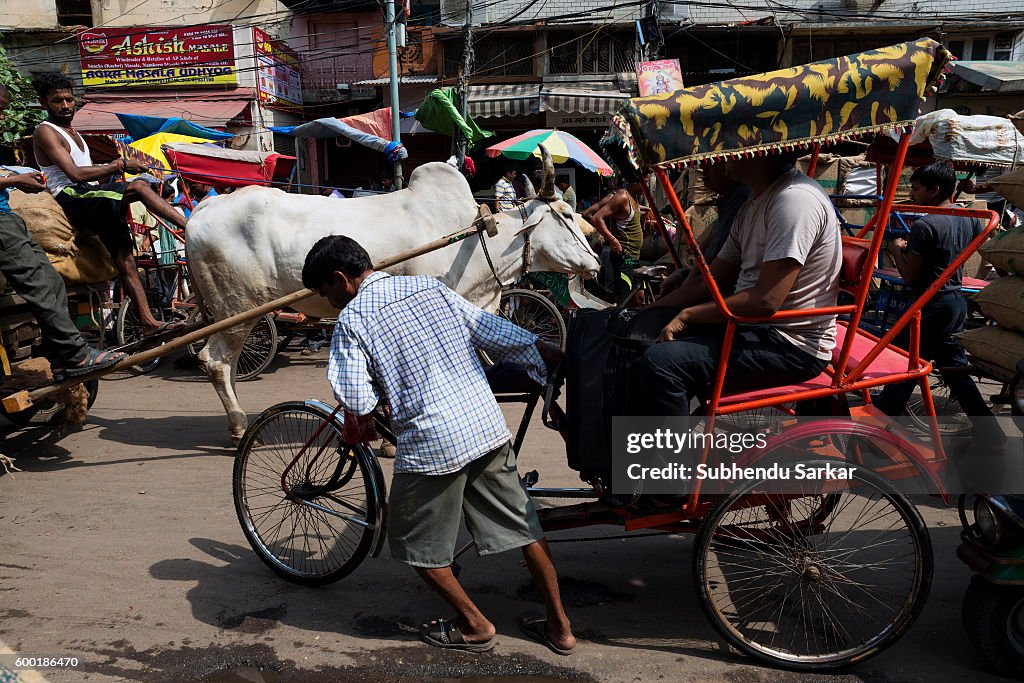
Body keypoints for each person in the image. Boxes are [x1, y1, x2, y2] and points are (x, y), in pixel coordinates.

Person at [302, 235, 575, 656]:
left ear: (341, 278)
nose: (329, 301)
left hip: (433, 444)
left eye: (326, 292)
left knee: (411, 542)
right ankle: (560, 628)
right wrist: (538, 349)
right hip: (484, 427)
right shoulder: (429, 286)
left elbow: (357, 399)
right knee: (525, 528)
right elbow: (491, 330)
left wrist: (378, 382)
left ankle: (476, 624)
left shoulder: (353, 320)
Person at [636, 151, 842, 416]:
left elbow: (765, 300)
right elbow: (714, 278)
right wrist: (651, 312)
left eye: (731, 148)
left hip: (791, 345)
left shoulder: (794, 200)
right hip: (754, 329)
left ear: (759, 154)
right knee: (644, 340)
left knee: (661, 363)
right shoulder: (753, 205)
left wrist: (688, 315)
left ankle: (672, 457)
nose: (721, 157)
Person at [31, 72, 186, 338]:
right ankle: (191, 228)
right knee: (138, 187)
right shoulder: (46, 132)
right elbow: (77, 175)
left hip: (92, 196)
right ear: (44, 103)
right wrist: (120, 165)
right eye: (58, 101)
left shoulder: (75, 133)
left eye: (69, 99)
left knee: (126, 261)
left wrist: (118, 170)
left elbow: (91, 173)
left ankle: (149, 323)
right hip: (72, 196)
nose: (66, 105)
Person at [874, 162, 1005, 452]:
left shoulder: (925, 225)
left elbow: (909, 275)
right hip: (954, 301)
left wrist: (896, 248)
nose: (914, 194)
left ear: (934, 190)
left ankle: (877, 429)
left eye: (918, 188)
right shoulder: (968, 219)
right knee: (953, 369)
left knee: (905, 367)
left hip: (929, 304)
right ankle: (990, 431)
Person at [0, 84, 125, 378]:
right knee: (39, 283)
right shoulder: (47, 131)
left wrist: (11, 177)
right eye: (1, 109)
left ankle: (58, 354)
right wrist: (12, 182)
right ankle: (77, 354)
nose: (3, 116)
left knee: (52, 282)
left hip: (7, 216)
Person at [658, 162, 753, 297]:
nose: (703, 169)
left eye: (711, 163)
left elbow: (714, 274)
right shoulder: (728, 201)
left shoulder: (741, 198)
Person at [583, 187, 644, 302]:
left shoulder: (632, 197)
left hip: (632, 257)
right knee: (625, 296)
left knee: (638, 295)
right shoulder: (619, 197)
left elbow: (588, 213)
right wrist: (611, 239)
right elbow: (592, 217)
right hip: (624, 256)